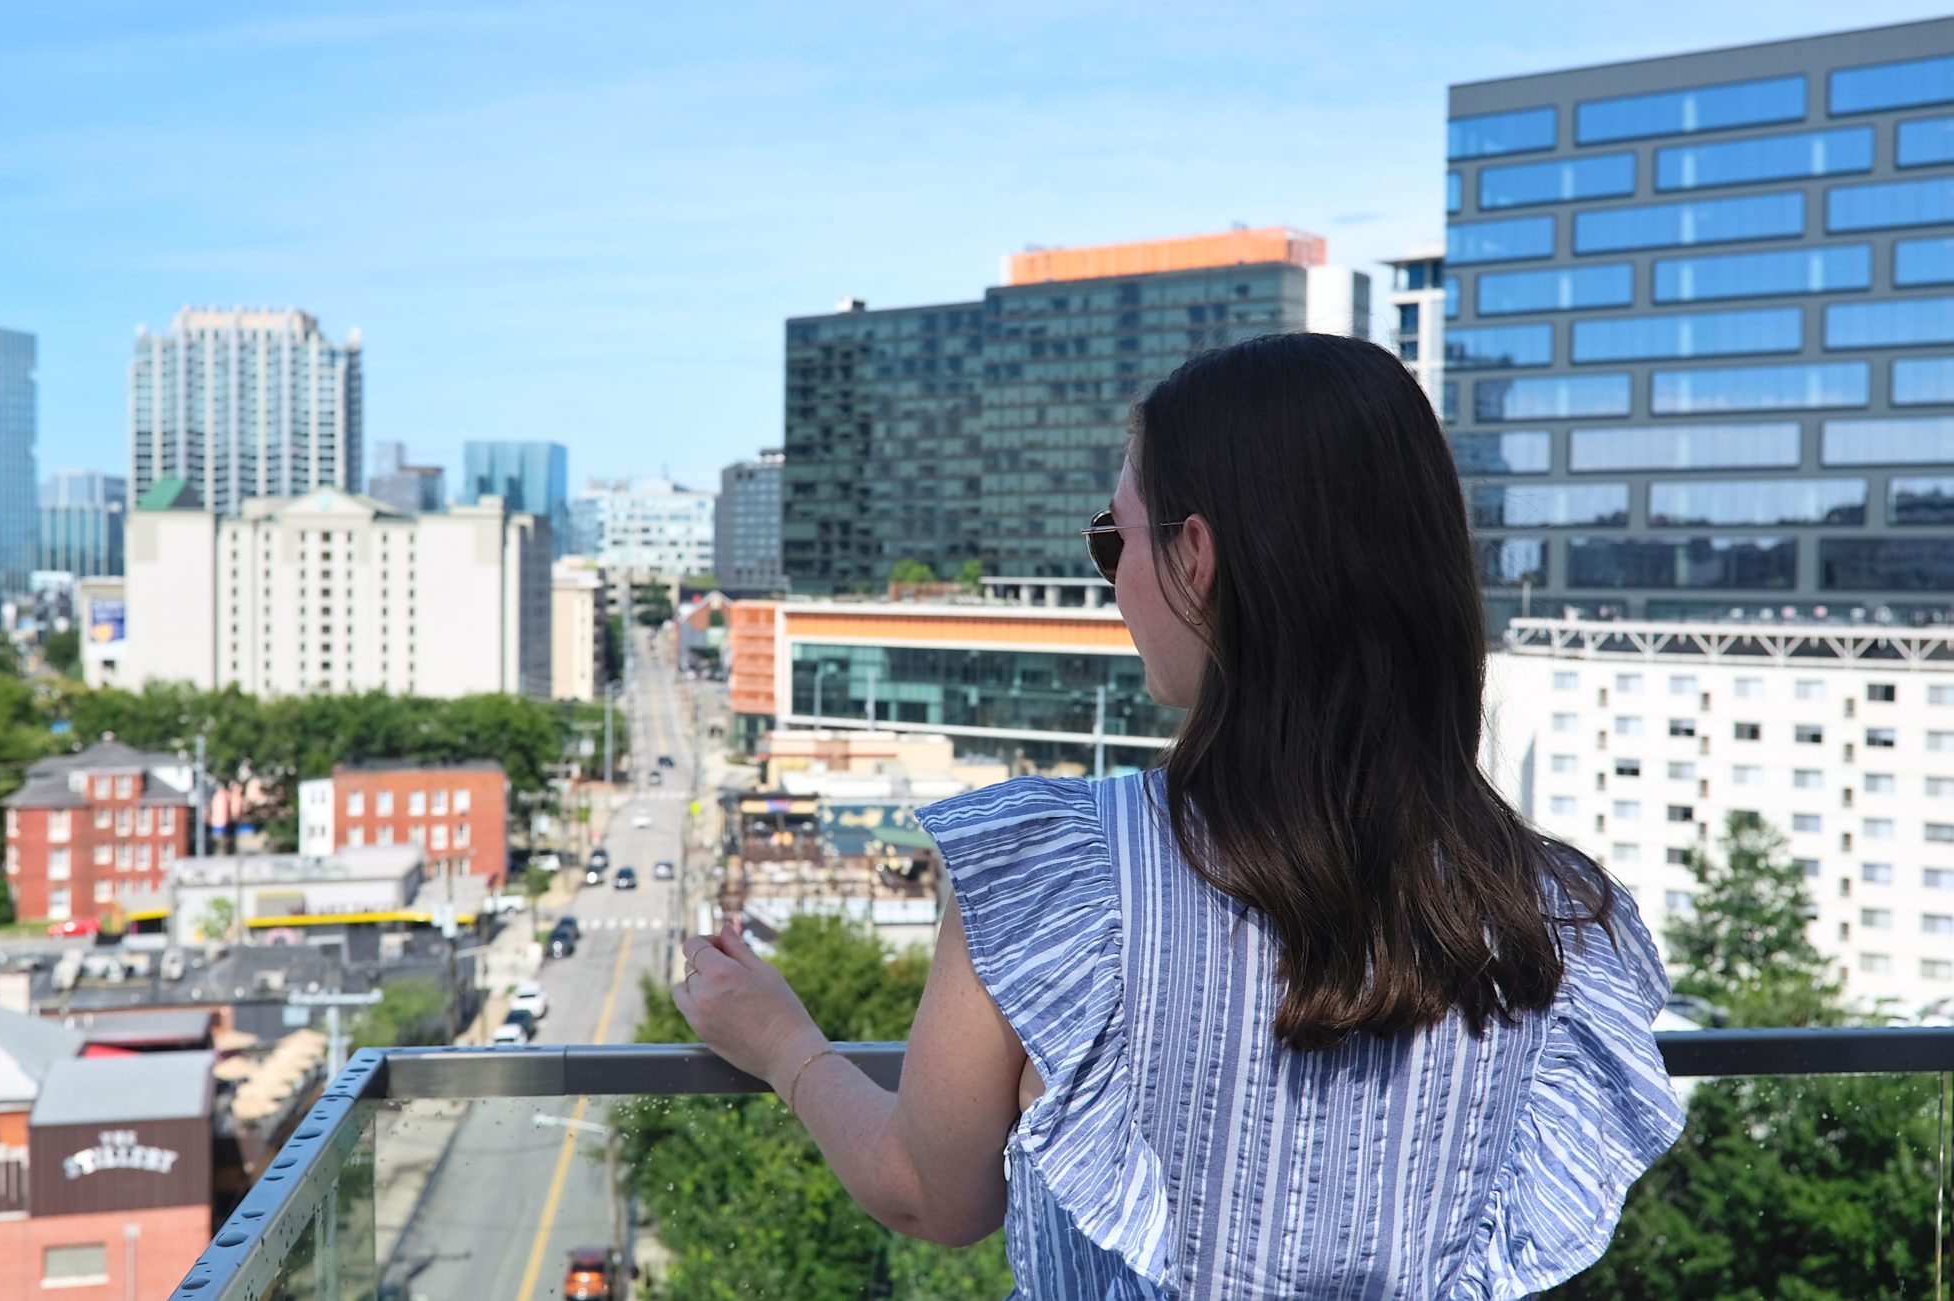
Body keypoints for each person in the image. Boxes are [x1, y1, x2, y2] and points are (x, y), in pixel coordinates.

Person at [675, 332, 1683, 1298]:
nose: (1109, 574)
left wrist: (783, 1043)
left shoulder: (1064, 870)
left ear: (1194, 556)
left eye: (1113, 535)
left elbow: (929, 1193)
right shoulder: (1553, 913)